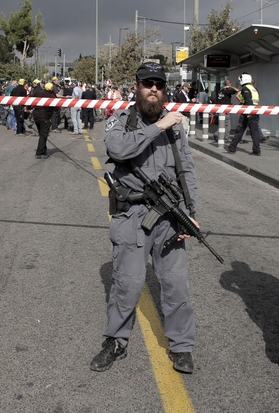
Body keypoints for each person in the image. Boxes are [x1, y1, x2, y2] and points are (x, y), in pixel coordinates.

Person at [90, 62, 199, 374]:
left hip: (168, 215)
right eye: (148, 83)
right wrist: (160, 126)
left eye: (159, 85)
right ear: (136, 86)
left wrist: (190, 214)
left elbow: (186, 169)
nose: (154, 89)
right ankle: (115, 340)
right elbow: (118, 149)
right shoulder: (121, 121)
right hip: (132, 215)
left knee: (176, 285)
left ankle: (181, 346)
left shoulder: (176, 126)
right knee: (127, 283)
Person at [225, 73, 266, 156]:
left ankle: (232, 148)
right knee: (255, 132)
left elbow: (248, 100)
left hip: (248, 112)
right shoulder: (254, 89)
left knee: (240, 130)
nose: (240, 81)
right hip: (255, 111)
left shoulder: (245, 88)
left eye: (240, 80)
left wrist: (248, 112)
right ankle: (257, 150)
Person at [32, 82, 55, 159]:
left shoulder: (39, 92)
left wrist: (28, 108)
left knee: (42, 134)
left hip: (36, 115)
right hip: (45, 117)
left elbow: (29, 99)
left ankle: (44, 151)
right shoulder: (51, 96)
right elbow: (56, 108)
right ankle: (39, 153)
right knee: (43, 135)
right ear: (51, 89)